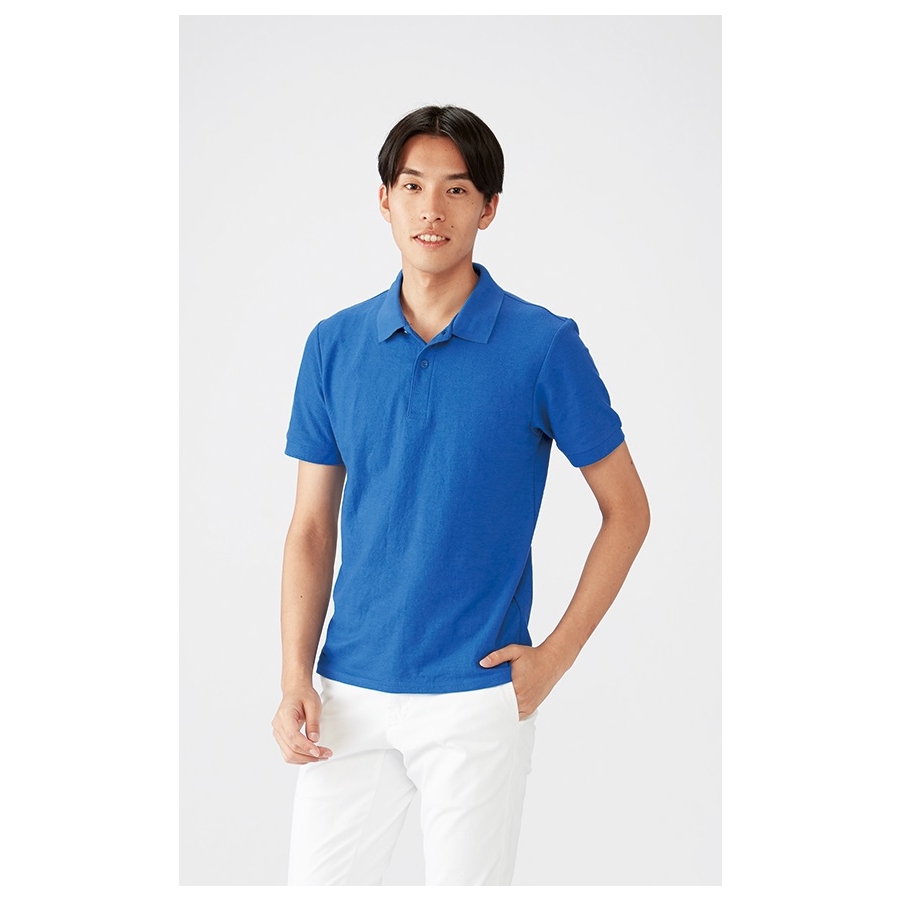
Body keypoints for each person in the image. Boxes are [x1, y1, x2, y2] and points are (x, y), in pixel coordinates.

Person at [271, 104, 650, 886]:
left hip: (475, 698)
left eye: (456, 189)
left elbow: (628, 511)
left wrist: (552, 661)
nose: (431, 210)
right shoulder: (333, 345)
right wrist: (294, 678)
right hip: (348, 692)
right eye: (413, 186)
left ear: (489, 208)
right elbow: (310, 528)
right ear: (385, 199)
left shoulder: (543, 345)